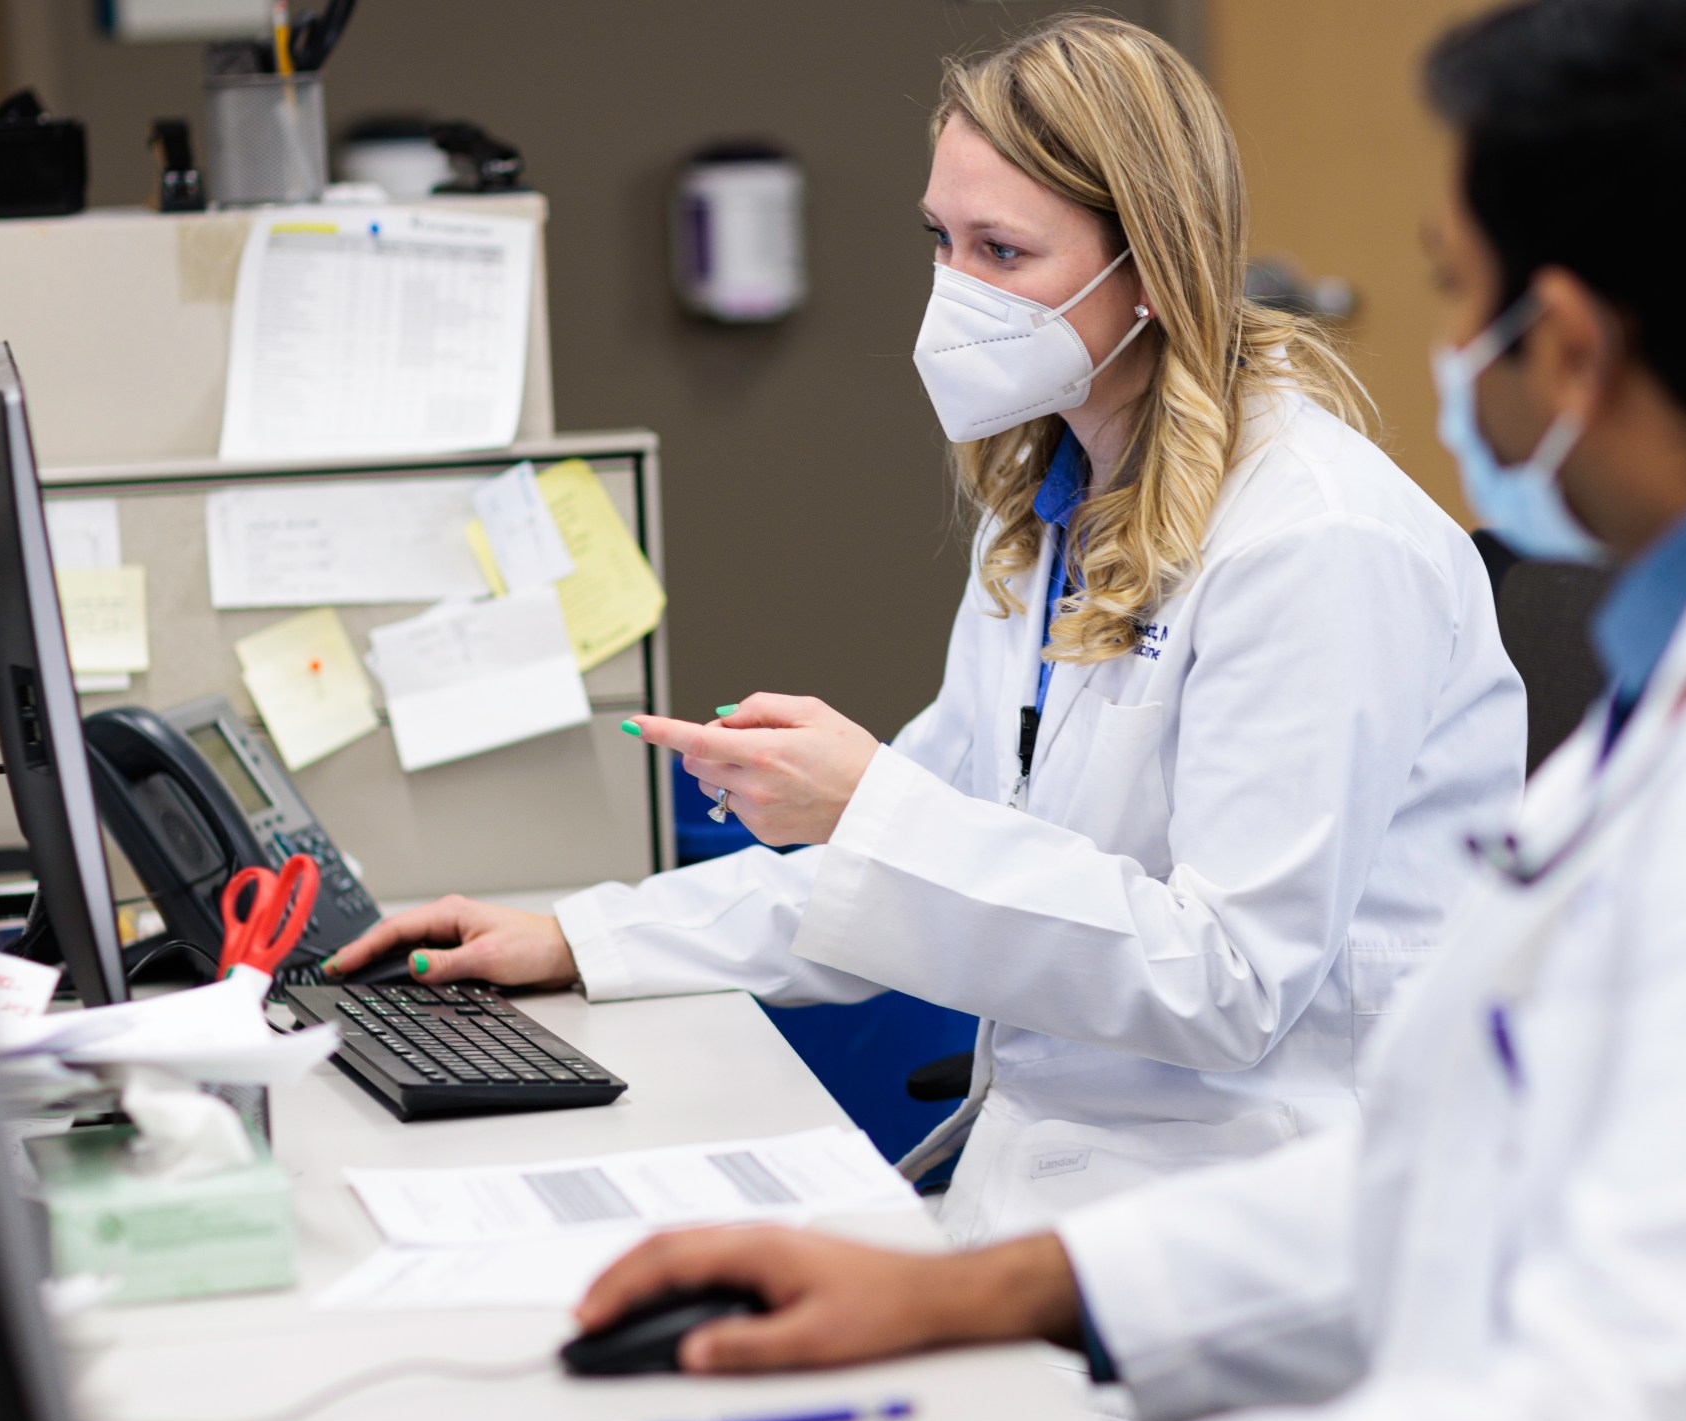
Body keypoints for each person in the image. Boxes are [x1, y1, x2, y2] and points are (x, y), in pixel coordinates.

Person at [565, 2, 1686, 1421]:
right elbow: (1467, 1154)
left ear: (1578, 350)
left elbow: (1679, 1388)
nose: (1439, 354)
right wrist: (980, 1290)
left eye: (1456, 291)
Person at [326, 15, 1526, 1245]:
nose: (957, 292)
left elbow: (1227, 983)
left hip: (1265, 1215)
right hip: (1071, 1170)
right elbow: (922, 862)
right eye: (942, 242)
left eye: (1003, 250)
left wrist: (869, 807)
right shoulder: (1058, 506)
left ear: (1153, 271)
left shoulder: (1314, 543)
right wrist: (584, 934)